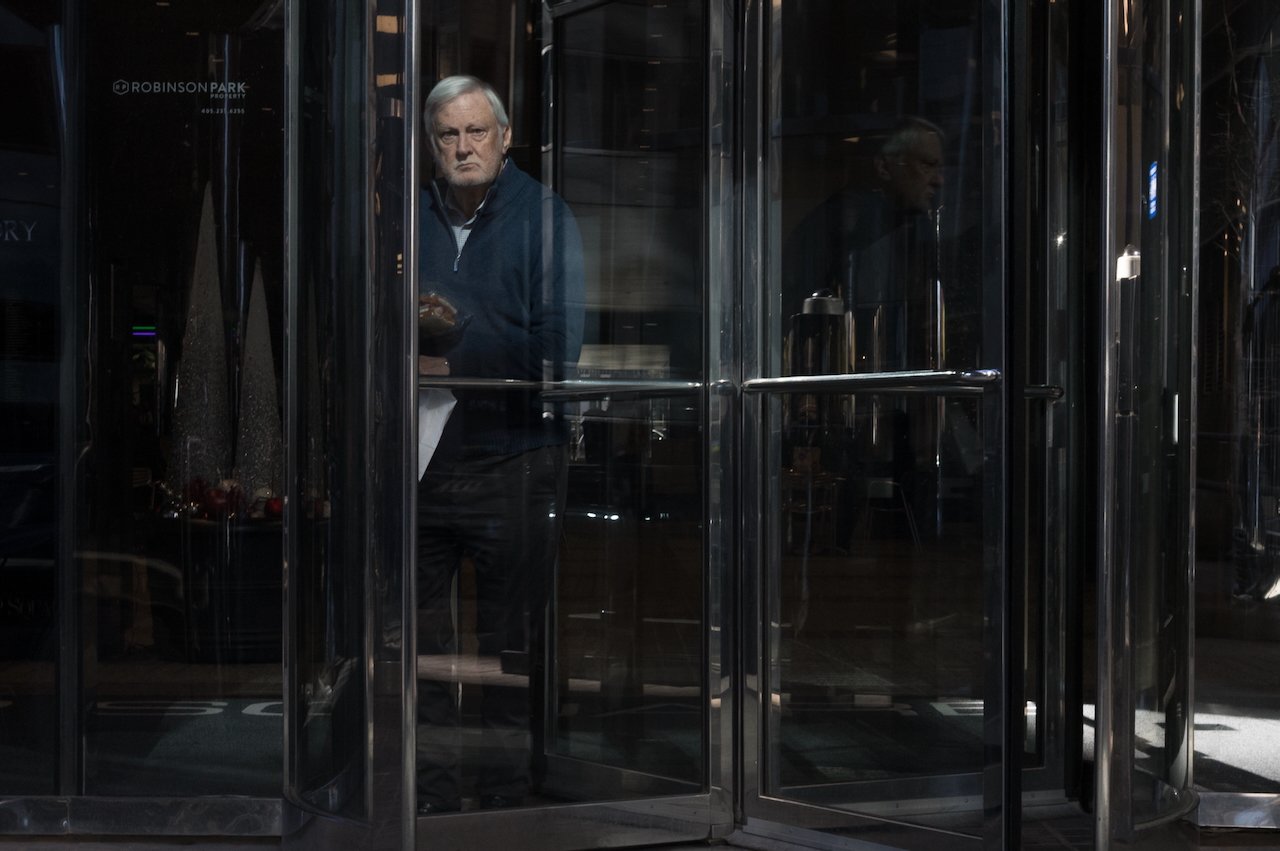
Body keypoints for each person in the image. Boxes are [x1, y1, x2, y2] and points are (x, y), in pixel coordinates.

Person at [415, 75, 585, 814]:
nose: (463, 147)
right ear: (431, 142)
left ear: (505, 138)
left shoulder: (544, 217)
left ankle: (507, 798)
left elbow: (558, 352)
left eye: (476, 132)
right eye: (449, 134)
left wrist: (452, 339)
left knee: (508, 651)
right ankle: (428, 795)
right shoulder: (406, 217)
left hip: (513, 460)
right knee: (417, 653)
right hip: (418, 465)